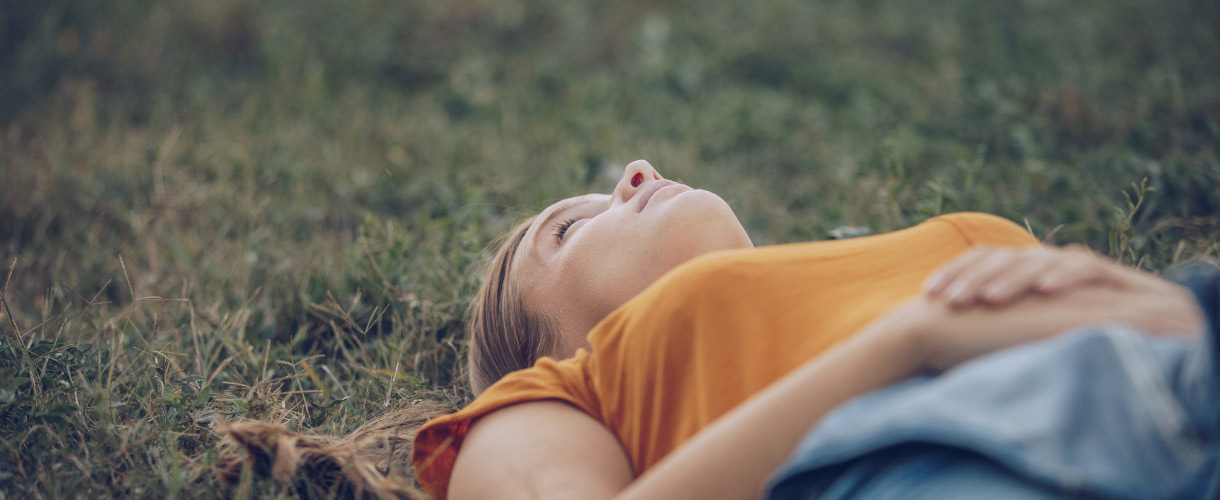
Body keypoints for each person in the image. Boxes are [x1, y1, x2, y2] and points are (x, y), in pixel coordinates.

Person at [408, 160, 1216, 500]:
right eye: (569, 228)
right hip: (958, 455)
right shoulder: (554, 399)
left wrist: (1162, 301)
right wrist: (911, 342)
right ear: (550, 357)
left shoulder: (846, 273)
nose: (636, 173)